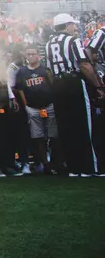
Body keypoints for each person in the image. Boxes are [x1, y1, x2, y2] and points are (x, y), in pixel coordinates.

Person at [44, 13, 105, 176]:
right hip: (73, 82)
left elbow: (49, 71)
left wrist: (56, 87)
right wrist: (98, 86)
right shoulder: (73, 41)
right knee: (84, 126)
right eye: (73, 24)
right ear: (67, 25)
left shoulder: (49, 43)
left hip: (57, 84)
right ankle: (88, 168)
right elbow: (84, 64)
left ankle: (73, 168)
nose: (75, 28)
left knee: (66, 127)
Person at [14, 45, 60, 174]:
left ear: (38, 55)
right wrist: (26, 105)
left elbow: (52, 85)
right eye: (28, 54)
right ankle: (45, 164)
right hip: (33, 108)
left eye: (33, 54)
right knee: (38, 136)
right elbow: (20, 89)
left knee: (53, 136)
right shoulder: (22, 72)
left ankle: (55, 162)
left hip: (48, 105)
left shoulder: (45, 70)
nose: (30, 56)